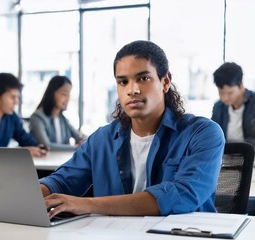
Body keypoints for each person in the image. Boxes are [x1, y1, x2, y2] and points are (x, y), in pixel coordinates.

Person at [39, 40, 225, 218]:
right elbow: (62, 182)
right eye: (123, 82)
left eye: (143, 78)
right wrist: (32, 195)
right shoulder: (102, 139)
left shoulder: (203, 134)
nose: (132, 90)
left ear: (165, 81)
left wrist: (86, 204)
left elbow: (180, 196)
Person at [29, 75, 85, 151]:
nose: (67, 99)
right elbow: (47, 146)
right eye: (64, 94)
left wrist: (84, 142)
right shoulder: (38, 117)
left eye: (69, 95)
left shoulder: (63, 119)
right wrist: (76, 147)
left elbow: (79, 138)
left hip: (61, 161)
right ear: (52, 93)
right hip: (45, 162)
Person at [211, 62, 255, 147]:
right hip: (226, 156)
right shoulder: (218, 107)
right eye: (221, 93)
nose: (225, 98)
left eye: (230, 93)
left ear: (241, 86)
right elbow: (214, 137)